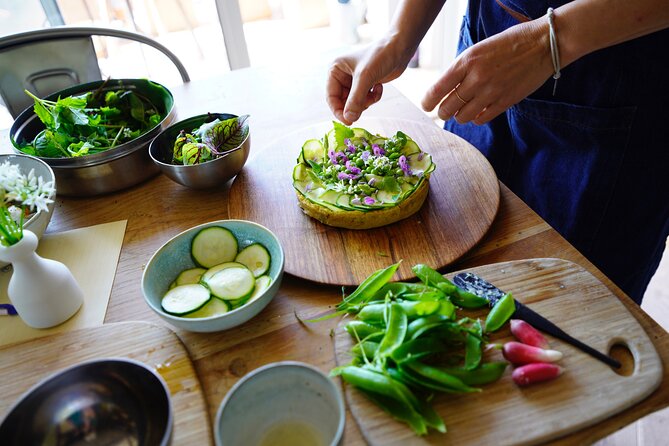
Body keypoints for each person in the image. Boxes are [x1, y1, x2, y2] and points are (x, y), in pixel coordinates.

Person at [326, 0, 669, 305]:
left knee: (569, 308)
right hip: (488, 41)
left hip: (620, 82)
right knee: (452, 271)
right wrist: (400, 35)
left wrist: (547, 42)